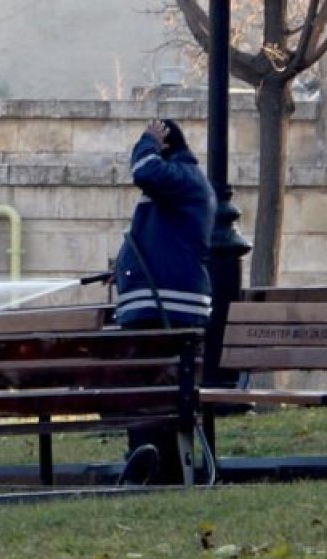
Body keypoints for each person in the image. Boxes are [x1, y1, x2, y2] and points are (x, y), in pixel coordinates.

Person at [113, 118, 216, 484]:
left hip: (165, 309)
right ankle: (154, 461)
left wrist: (147, 142)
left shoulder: (182, 178)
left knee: (149, 387)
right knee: (153, 388)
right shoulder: (180, 188)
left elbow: (143, 170)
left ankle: (151, 461)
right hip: (160, 308)